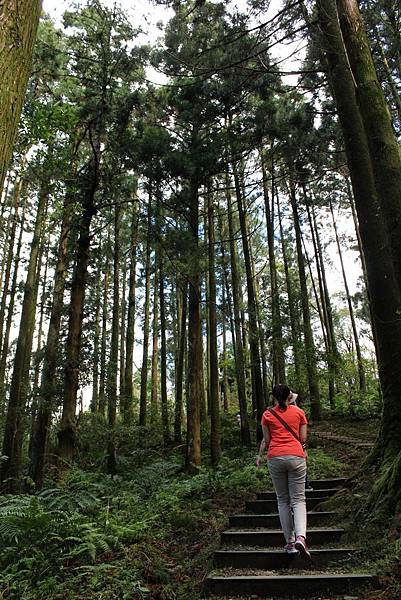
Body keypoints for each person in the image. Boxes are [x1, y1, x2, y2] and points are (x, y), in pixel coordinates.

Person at [257, 384, 311, 559]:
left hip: (275, 457)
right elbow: (302, 438)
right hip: (296, 456)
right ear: (289, 396)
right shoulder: (299, 412)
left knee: (282, 500)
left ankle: (289, 541)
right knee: (298, 499)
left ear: (274, 397)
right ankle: (301, 537)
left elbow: (267, 439)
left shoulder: (267, 415)